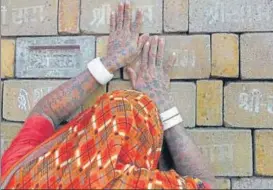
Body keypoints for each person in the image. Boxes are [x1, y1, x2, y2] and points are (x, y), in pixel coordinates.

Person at [1, 2, 214, 189]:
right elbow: (206, 184)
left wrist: (109, 63)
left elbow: (44, 113)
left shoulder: (20, 177)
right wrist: (164, 105)